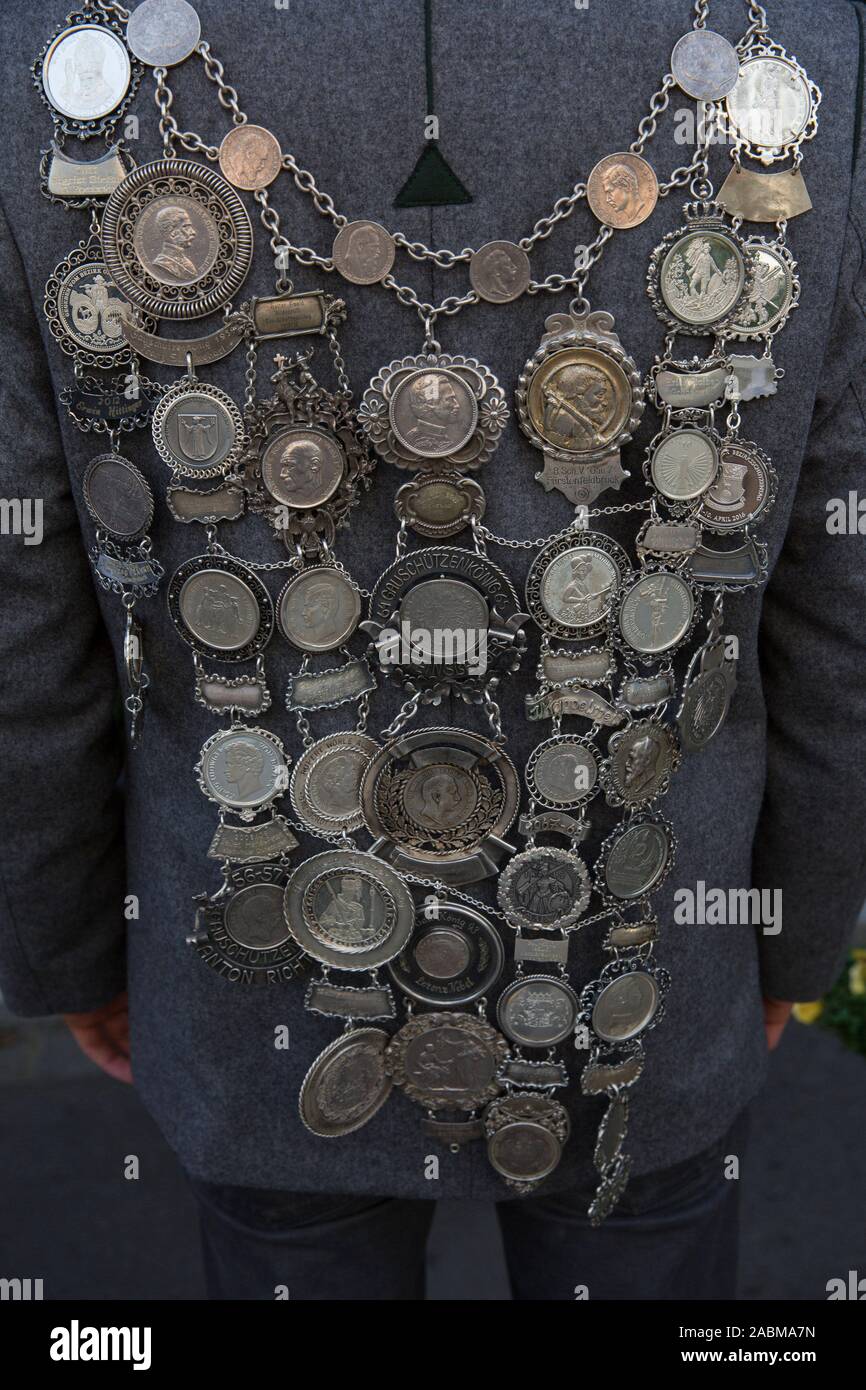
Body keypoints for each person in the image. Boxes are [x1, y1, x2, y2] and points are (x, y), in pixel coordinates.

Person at [2, 0, 865, 1302]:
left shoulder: (52, 38)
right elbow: (837, 600)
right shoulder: (800, 36)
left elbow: (27, 625)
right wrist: (788, 936)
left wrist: (68, 942)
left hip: (250, 1011)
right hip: (654, 962)